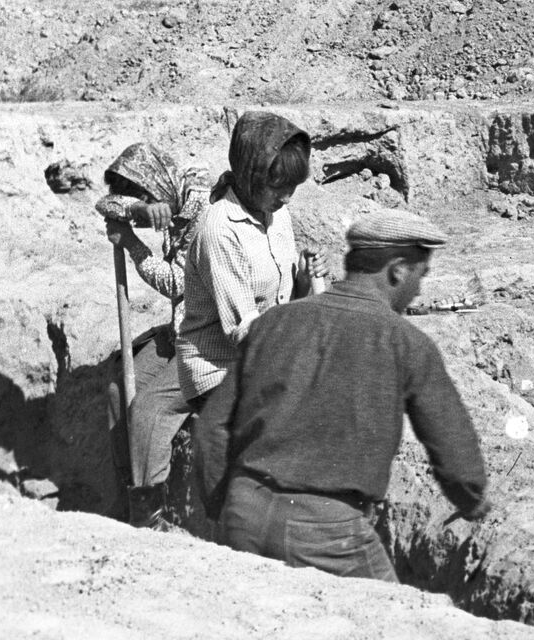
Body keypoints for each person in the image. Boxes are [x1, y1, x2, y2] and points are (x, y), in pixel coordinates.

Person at [195, 209, 490, 581]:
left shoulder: (273, 322)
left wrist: (225, 507)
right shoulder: (407, 343)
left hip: (243, 513)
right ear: (397, 270)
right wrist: (472, 497)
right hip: (328, 533)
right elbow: (450, 439)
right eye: (420, 275)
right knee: (398, 620)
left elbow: (211, 429)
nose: (419, 289)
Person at [177, 110, 326, 410]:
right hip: (219, 373)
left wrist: (303, 280)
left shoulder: (277, 214)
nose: (286, 199)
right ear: (250, 175)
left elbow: (279, 304)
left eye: (292, 189)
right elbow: (245, 330)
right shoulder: (220, 229)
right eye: (278, 188)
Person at [97, 143, 209, 527]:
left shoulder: (203, 210)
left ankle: (149, 519)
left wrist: (131, 243)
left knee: (146, 410)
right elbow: (105, 205)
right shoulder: (171, 199)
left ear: (155, 185)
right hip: (180, 328)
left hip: (209, 340)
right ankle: (128, 495)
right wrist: (137, 211)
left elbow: (180, 284)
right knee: (117, 390)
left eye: (145, 202)